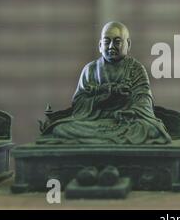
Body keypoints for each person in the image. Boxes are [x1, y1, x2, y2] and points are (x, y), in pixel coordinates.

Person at [38, 21, 171, 144]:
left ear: (128, 44)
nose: (111, 46)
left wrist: (131, 112)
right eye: (107, 42)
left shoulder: (136, 69)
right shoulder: (90, 69)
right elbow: (79, 103)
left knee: (151, 129)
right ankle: (110, 140)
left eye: (117, 42)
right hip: (94, 121)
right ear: (100, 45)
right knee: (61, 129)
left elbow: (144, 99)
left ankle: (99, 140)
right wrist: (106, 95)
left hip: (126, 123)